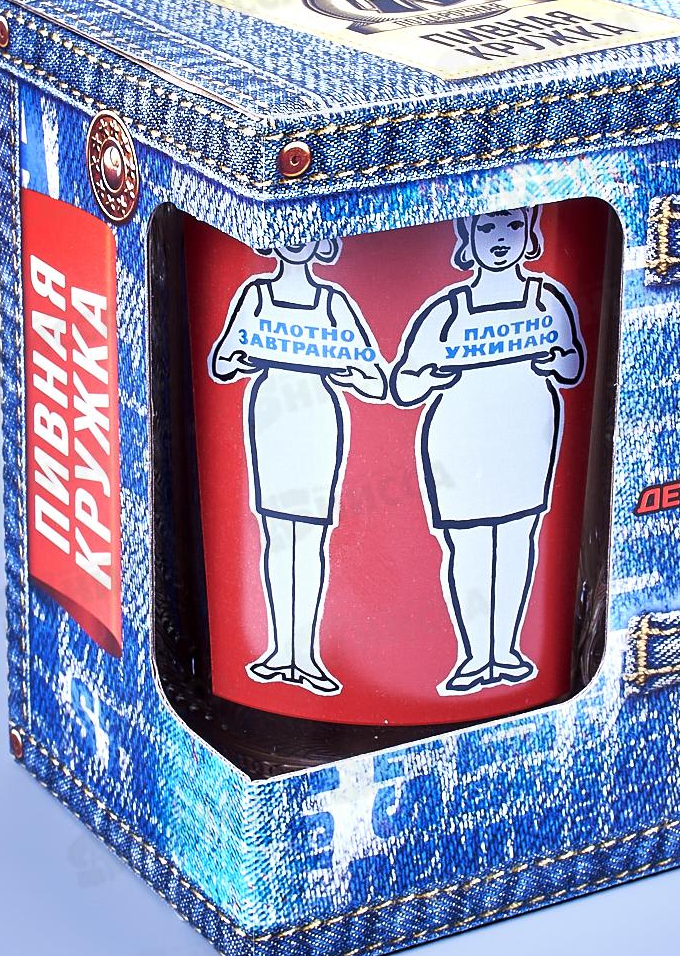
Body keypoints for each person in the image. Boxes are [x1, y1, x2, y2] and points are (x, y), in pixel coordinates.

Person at [390, 208, 584, 694]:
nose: (501, 239)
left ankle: (508, 651)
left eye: (513, 226)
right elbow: (404, 383)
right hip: (458, 441)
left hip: (526, 437)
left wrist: (556, 358)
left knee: (519, 540)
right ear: (468, 237)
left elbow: (573, 364)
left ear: (530, 233)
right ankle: (476, 656)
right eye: (488, 228)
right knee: (469, 547)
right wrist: (429, 376)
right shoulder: (448, 310)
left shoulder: (546, 299)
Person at [209, 237, 386, 695]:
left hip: (318, 418)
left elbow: (375, 379)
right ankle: (278, 650)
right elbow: (223, 362)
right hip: (270, 415)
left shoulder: (333, 303)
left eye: (305, 236)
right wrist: (243, 356)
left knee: (309, 540)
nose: (295, 242)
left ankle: (305, 654)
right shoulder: (255, 295)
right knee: (274, 536)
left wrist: (347, 371)